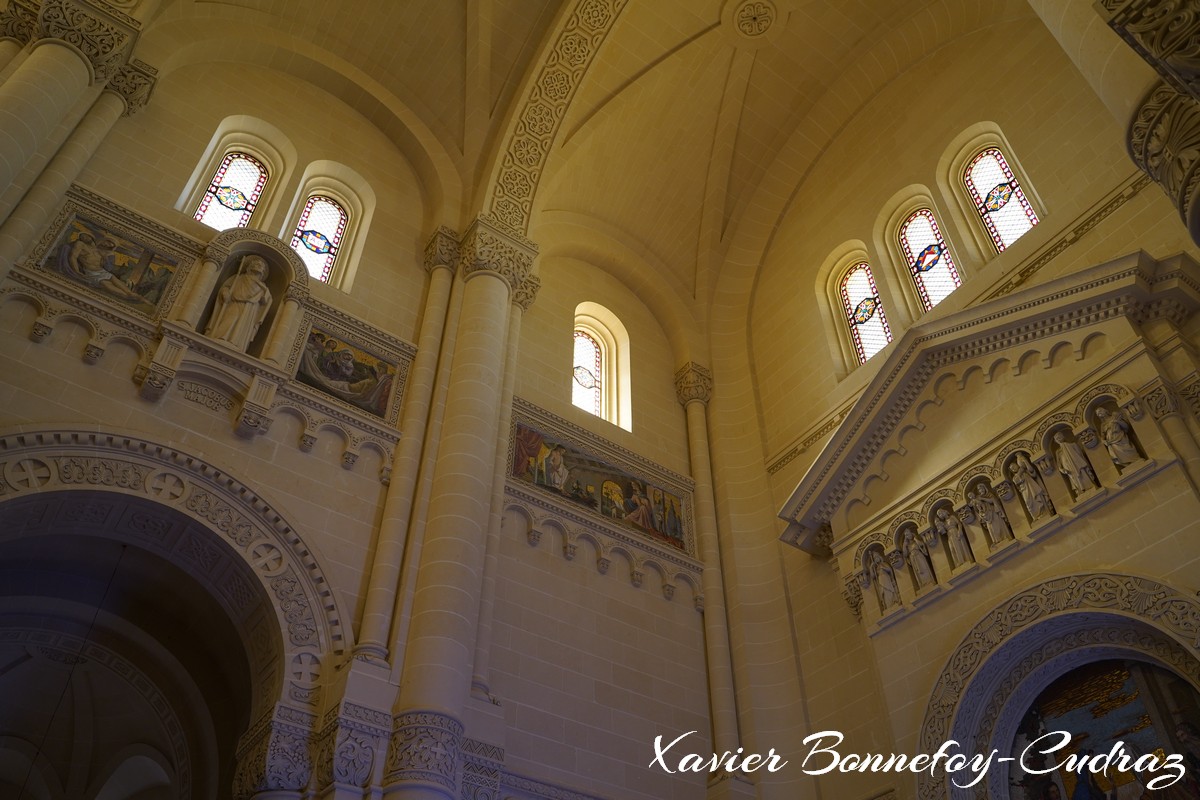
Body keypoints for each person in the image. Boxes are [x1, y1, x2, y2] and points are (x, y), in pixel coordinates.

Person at [206, 255, 273, 352]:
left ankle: (236, 343)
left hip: (250, 309)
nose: (259, 266)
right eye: (257, 264)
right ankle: (220, 337)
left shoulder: (263, 287)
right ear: (250, 266)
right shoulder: (239, 278)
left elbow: (266, 300)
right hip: (234, 303)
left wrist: (265, 295)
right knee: (229, 320)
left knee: (241, 327)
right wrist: (225, 292)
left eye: (261, 265)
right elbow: (226, 286)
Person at [67, 232, 144, 302]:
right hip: (92, 273)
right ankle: (130, 298)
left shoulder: (97, 248)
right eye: (82, 236)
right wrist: (76, 271)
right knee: (107, 285)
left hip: (102, 271)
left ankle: (136, 297)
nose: (85, 238)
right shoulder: (80, 244)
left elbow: (108, 266)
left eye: (87, 236)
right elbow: (72, 257)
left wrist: (106, 256)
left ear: (92, 237)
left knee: (125, 289)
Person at [1053, 430, 1099, 495]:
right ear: (1055, 441)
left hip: (1079, 465)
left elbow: (1081, 455)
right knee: (1075, 481)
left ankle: (1091, 487)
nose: (1059, 438)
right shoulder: (1058, 452)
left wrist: (1085, 464)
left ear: (1063, 436)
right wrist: (1062, 470)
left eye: (1059, 436)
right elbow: (1059, 464)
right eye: (1057, 438)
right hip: (1069, 470)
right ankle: (1080, 492)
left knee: (1083, 475)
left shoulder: (1073, 445)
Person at [1011, 454, 1052, 520]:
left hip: (1033, 488)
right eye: (1012, 469)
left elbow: (1033, 472)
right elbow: (1016, 481)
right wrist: (1020, 471)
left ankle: (1043, 512)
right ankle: (1035, 516)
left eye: (1014, 466)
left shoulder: (1025, 471)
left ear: (1017, 465)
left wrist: (1025, 461)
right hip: (1025, 491)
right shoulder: (1015, 477)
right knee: (1028, 502)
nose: (1013, 468)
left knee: (1038, 498)